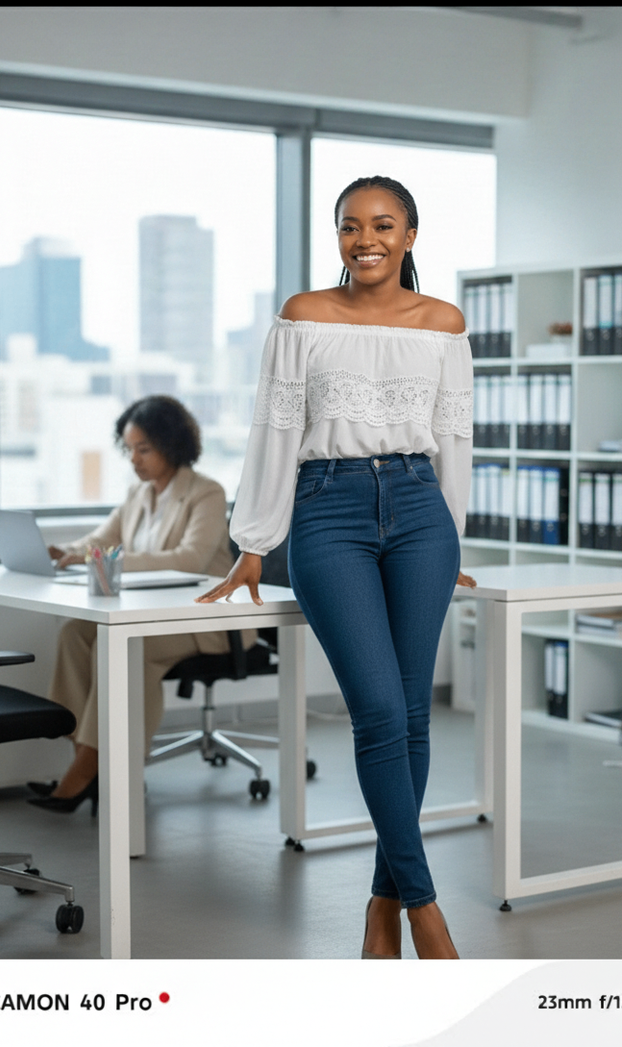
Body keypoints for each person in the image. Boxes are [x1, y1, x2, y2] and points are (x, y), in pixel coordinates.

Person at [197, 176, 476, 959]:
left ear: (410, 236)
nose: (365, 239)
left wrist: (452, 540)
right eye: (350, 226)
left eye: (383, 225)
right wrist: (253, 540)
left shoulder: (444, 323)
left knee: (412, 713)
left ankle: (381, 907)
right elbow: (274, 430)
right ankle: (424, 907)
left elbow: (454, 438)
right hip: (328, 511)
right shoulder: (305, 315)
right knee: (382, 712)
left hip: (423, 514)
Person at [28, 395, 235, 813]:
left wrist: (108, 560)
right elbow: (99, 541)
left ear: (171, 445)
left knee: (126, 649)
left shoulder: (206, 492)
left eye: (144, 449)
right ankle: (93, 764)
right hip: (148, 614)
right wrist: (61, 551)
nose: (134, 460)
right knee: (74, 633)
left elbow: (190, 559)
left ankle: (87, 775)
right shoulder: (137, 495)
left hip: (202, 619)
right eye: (129, 449)